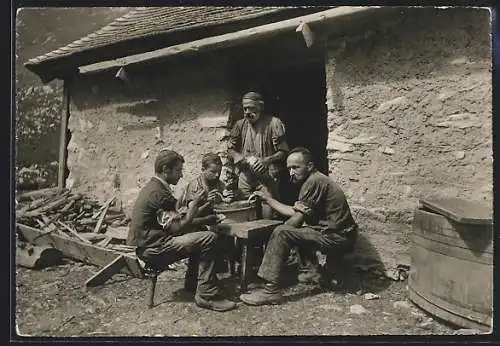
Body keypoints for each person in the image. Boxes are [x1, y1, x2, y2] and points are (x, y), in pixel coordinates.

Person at [239, 147, 359, 306]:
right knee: (297, 229)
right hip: (337, 233)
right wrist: (268, 199)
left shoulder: (314, 182)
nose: (291, 172)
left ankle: (271, 290)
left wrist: (276, 240)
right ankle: (313, 272)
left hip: (338, 237)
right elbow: (296, 211)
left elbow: (294, 220)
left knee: (282, 232)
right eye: (289, 168)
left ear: (309, 166)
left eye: (296, 167)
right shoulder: (316, 179)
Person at [126, 149, 237, 312]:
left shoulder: (154, 187)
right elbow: (178, 226)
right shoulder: (160, 194)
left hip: (148, 246)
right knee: (209, 238)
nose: (181, 175)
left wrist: (198, 208)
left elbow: (176, 219)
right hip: (154, 250)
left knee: (197, 232)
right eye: (178, 170)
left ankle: (193, 284)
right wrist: (195, 206)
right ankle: (206, 295)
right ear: (166, 170)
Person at [227, 91, 289, 200]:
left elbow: (283, 152)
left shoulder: (274, 123)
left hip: (267, 175)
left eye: (251, 108)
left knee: (268, 210)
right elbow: (230, 149)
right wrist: (238, 156)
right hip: (245, 176)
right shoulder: (240, 125)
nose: (247, 112)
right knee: (246, 209)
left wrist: (265, 161)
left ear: (260, 106)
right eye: (245, 109)